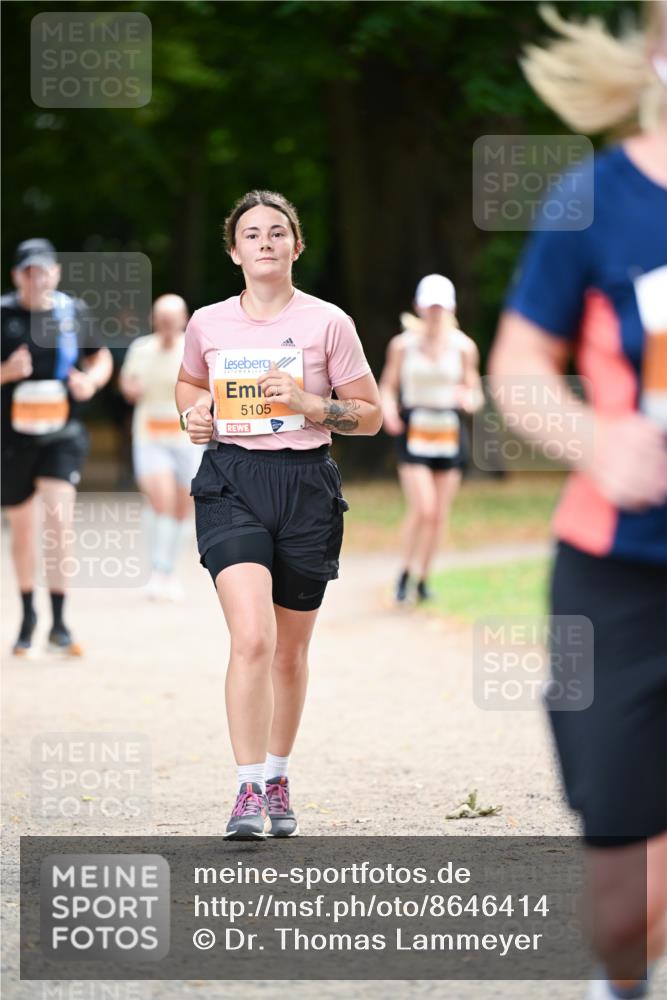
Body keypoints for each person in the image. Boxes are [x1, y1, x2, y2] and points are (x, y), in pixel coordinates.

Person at [490, 5, 667, 998]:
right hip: (618, 577)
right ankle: (621, 979)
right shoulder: (592, 199)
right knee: (622, 908)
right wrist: (596, 440)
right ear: (657, 53)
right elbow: (516, 366)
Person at [175, 190, 381, 839]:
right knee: (253, 638)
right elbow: (189, 383)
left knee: (288, 654)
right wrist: (193, 413)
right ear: (234, 252)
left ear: (296, 246)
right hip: (230, 482)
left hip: (306, 488)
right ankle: (246, 790)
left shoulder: (329, 323)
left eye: (276, 232)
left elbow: (371, 416)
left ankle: (276, 774)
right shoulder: (207, 323)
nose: (264, 242)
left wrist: (309, 403)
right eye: (251, 234)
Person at [1, 238, 112, 656]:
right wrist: (6, 372)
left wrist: (92, 382)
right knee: (23, 529)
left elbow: (100, 357)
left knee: (59, 520)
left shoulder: (72, 312)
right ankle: (28, 614)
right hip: (10, 439)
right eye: (29, 272)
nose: (38, 278)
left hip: (62, 434)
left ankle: (60, 621)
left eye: (44, 270)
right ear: (17, 276)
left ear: (57, 273)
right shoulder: (3, 314)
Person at [379, 274, 482, 603]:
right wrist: (388, 411)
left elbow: (475, 390)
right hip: (415, 428)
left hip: (448, 428)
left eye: (441, 307)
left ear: (450, 308)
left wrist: (469, 400)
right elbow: (387, 386)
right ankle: (404, 572)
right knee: (423, 507)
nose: (436, 313)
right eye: (430, 306)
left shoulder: (464, 347)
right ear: (419, 307)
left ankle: (424, 579)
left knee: (439, 513)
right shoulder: (402, 346)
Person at [120, 294, 203, 601]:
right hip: (149, 436)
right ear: (153, 320)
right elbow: (126, 382)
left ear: (184, 319)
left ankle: (169, 570)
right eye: (161, 319)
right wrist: (130, 388)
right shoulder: (141, 349)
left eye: (172, 319)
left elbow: (206, 388)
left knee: (182, 506)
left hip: (185, 438)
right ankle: (157, 570)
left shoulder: (193, 350)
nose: (167, 325)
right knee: (161, 500)